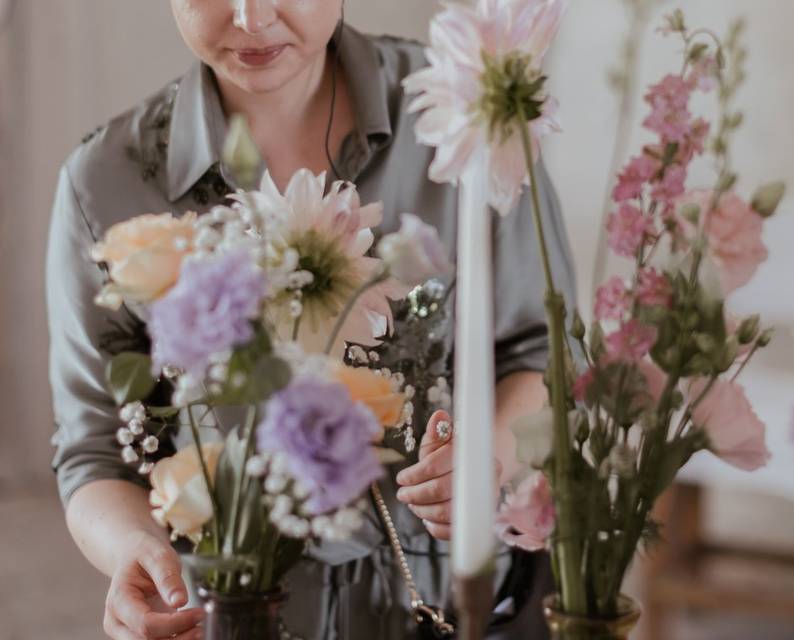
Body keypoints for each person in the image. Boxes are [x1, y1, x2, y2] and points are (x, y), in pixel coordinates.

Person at [46, 1, 577, 638]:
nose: (250, 18)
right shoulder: (103, 182)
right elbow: (94, 451)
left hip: (461, 601)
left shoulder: (465, 111)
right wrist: (132, 548)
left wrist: (485, 458)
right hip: (233, 612)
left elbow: (545, 354)